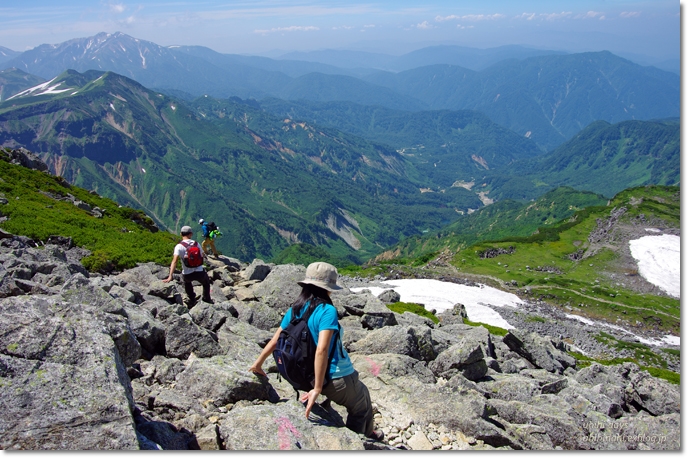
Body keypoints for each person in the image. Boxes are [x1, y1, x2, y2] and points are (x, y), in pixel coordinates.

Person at [248, 262, 383, 441]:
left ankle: (365, 433)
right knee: (362, 404)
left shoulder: (295, 308)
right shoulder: (327, 311)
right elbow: (322, 349)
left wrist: (258, 364)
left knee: (361, 393)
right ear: (328, 287)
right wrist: (318, 388)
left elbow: (275, 341)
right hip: (334, 376)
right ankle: (362, 441)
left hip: (303, 374)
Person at [163, 225, 213, 308]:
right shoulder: (196, 244)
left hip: (187, 273)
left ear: (181, 234)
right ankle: (206, 299)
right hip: (199, 272)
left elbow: (174, 261)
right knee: (206, 283)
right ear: (190, 234)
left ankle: (192, 299)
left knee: (187, 283)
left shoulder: (178, 246)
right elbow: (202, 255)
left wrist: (170, 276)